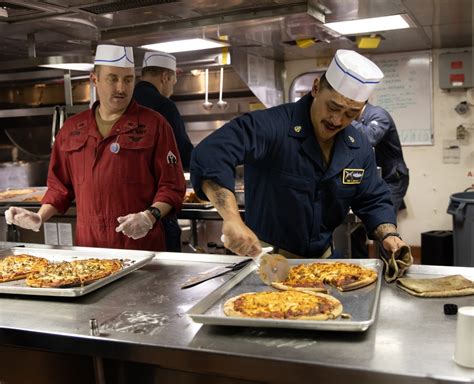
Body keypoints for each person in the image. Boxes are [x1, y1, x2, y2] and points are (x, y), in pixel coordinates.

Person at [190, 50, 410, 265]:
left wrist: (389, 234)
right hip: (266, 262)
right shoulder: (272, 126)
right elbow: (211, 153)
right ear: (315, 88)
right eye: (333, 107)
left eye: (350, 114)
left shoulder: (357, 145)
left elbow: (372, 198)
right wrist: (232, 218)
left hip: (322, 264)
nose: (337, 120)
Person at [5, 44, 186, 252]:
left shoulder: (155, 124)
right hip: (89, 248)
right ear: (94, 80)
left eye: (128, 80)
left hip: (140, 245)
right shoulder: (72, 129)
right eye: (113, 79)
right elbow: (59, 187)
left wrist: (149, 216)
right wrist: (39, 216)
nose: (121, 88)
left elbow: (172, 186)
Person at [133, 51, 194, 252]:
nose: (171, 89)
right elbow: (183, 154)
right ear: (165, 77)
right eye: (173, 82)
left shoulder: (123, 102)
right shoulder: (163, 105)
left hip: (125, 210)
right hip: (157, 208)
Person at [350, 102, 410, 258]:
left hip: (392, 178)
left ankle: (388, 272)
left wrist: (347, 119)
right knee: (356, 227)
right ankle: (360, 266)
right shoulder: (356, 119)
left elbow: (370, 137)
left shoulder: (378, 114)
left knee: (383, 226)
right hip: (370, 178)